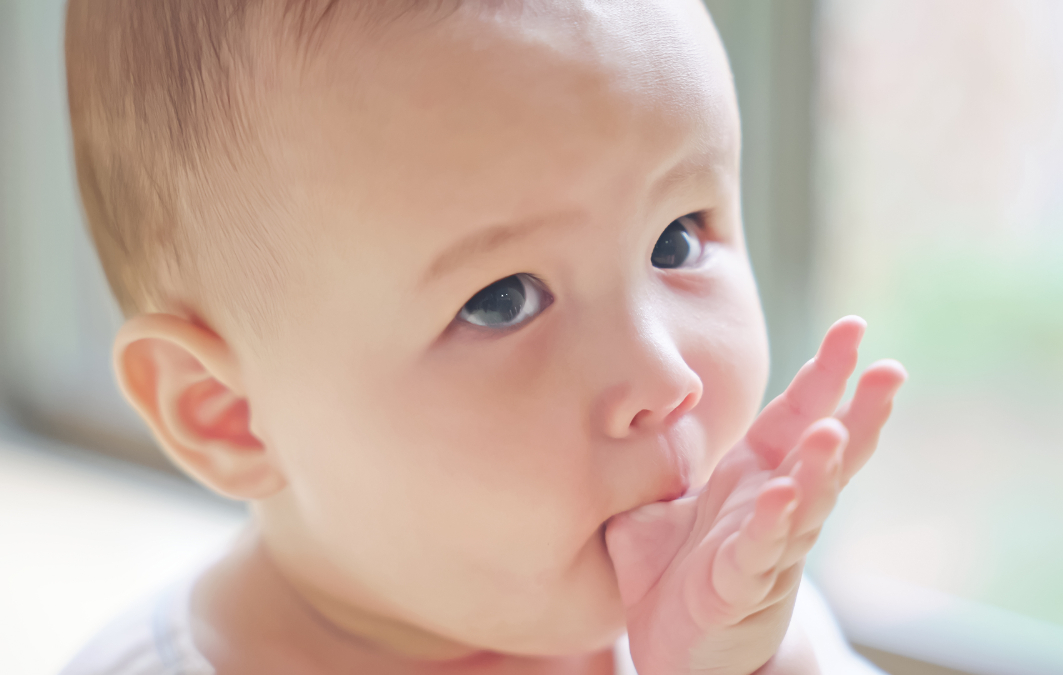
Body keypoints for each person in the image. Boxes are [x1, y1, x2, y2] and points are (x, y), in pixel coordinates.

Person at [61, 1, 907, 673]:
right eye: (503, 300)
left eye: (677, 237)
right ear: (229, 411)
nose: (665, 374)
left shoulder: (733, 615)